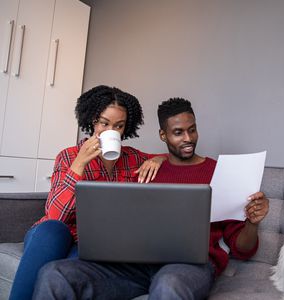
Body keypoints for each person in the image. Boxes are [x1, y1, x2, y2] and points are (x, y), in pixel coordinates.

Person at [32, 97, 269, 300]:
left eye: (192, 129)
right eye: (178, 132)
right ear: (163, 135)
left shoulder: (219, 172)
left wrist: (252, 222)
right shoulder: (144, 170)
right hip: (133, 267)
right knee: (54, 274)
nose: (188, 138)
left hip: (187, 267)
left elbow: (242, 249)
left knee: (168, 285)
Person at [9, 85, 166, 300]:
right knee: (51, 229)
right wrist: (79, 164)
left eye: (119, 126)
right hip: (58, 233)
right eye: (104, 123)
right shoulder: (68, 156)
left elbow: (173, 158)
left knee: (67, 272)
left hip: (92, 243)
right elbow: (55, 215)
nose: (112, 130)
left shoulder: (134, 158)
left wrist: (158, 159)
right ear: (92, 120)